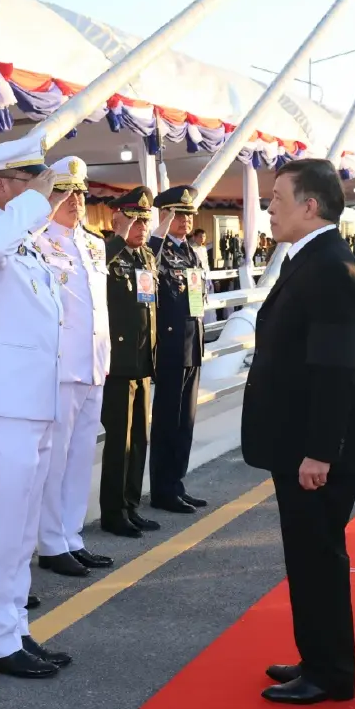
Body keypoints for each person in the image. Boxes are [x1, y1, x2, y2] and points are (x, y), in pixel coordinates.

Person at [241, 157, 355, 705]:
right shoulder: (312, 259)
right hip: (304, 442)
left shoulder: (328, 267)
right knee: (306, 556)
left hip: (318, 450)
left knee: (317, 557)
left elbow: (334, 370)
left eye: (277, 199)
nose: (269, 208)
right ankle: (317, 658)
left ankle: (330, 674)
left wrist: (320, 452)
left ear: (309, 206)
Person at [0, 134, 70, 679]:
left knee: (21, 529)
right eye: (32, 181)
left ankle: (14, 628)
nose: (43, 192)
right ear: (2, 185)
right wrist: (34, 202)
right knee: (1, 527)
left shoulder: (22, 240)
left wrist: (32, 205)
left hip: (29, 404)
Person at [32, 157, 114, 577]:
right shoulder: (38, 242)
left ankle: (72, 535)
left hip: (94, 363)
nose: (74, 200)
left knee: (81, 456)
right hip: (61, 367)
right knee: (56, 459)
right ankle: (50, 542)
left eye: (79, 192)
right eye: (64, 192)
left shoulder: (94, 244)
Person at [99, 186, 162, 538]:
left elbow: (150, 307)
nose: (141, 227)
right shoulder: (108, 253)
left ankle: (131, 505)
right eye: (134, 220)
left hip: (142, 360)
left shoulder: (146, 258)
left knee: (139, 439)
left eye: (144, 221)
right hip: (119, 362)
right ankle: (113, 512)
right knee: (119, 442)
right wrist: (118, 238)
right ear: (117, 220)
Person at [149, 185, 208, 513]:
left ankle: (176, 483)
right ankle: (162, 489)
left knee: (185, 421)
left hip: (192, 343)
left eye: (188, 215)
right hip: (171, 347)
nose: (185, 221)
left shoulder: (190, 252)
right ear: (165, 215)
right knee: (167, 422)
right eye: (178, 215)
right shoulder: (158, 248)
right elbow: (148, 264)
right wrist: (158, 232)